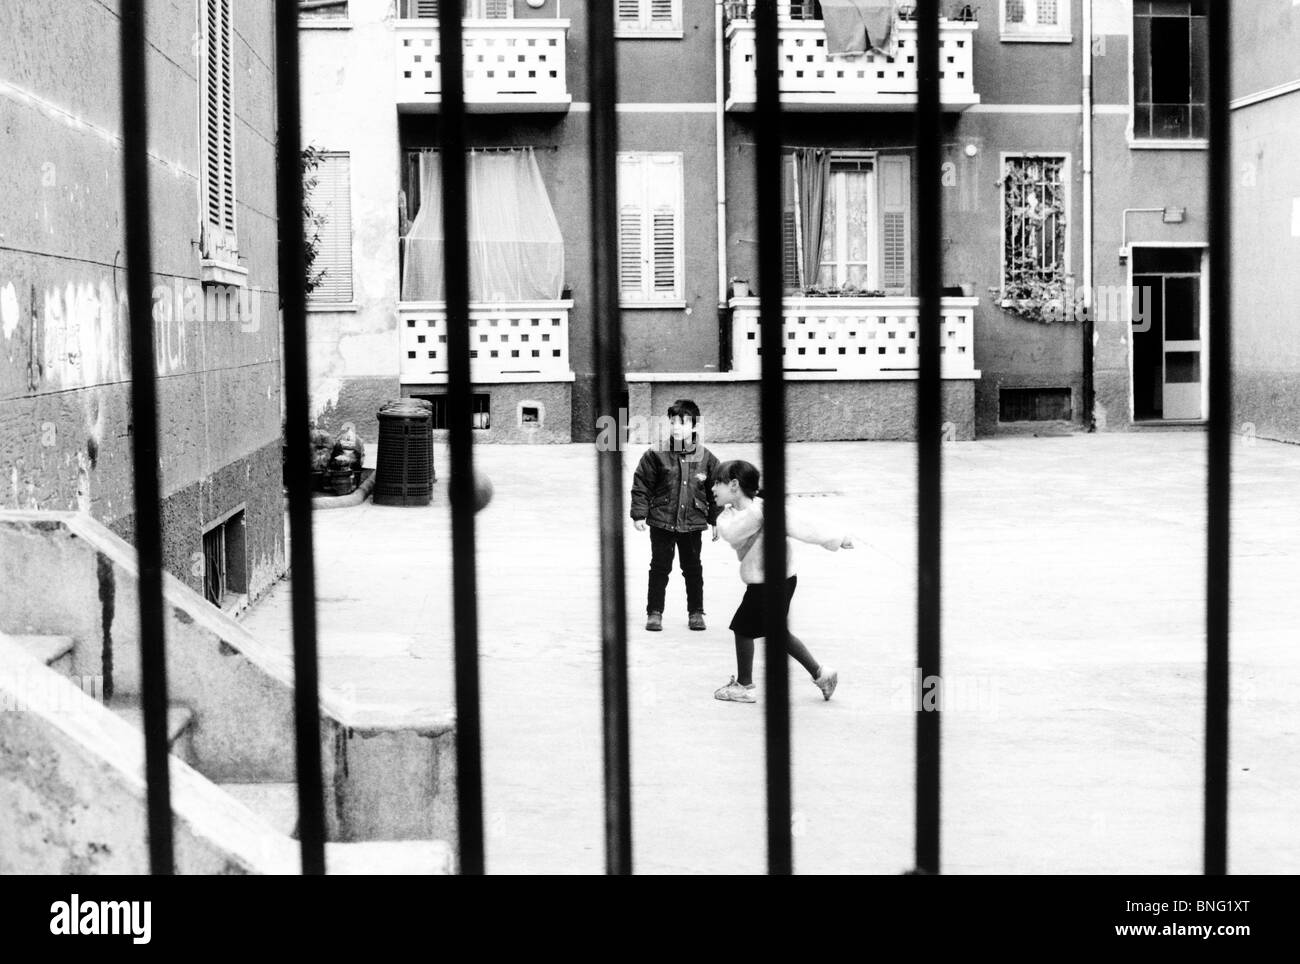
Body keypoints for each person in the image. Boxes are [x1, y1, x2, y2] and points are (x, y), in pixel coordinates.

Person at [710, 459, 852, 703]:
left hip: (774, 582)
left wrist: (836, 537)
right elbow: (732, 532)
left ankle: (745, 686)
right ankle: (822, 674)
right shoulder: (730, 517)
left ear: (734, 485)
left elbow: (804, 525)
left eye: (717, 483)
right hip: (770, 581)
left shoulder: (765, 509)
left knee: (742, 629)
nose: (712, 488)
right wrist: (760, 512)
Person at [630, 399, 721, 632]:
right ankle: (654, 612)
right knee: (659, 567)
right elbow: (642, 484)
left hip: (692, 523)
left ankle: (696, 613)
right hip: (662, 521)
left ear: (694, 426)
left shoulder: (706, 458)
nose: (677, 427)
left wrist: (715, 520)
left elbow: (716, 490)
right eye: (673, 422)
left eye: (683, 422)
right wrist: (639, 514)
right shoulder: (656, 454)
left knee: (693, 568)